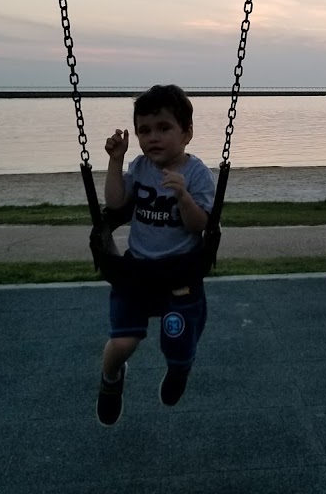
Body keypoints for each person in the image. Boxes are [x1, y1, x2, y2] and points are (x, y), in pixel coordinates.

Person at [95, 84, 215, 426]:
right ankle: (111, 380)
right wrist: (116, 162)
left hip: (180, 273)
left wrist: (183, 197)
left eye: (164, 128)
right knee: (122, 342)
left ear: (187, 133)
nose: (153, 138)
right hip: (138, 270)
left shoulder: (197, 174)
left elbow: (199, 225)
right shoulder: (140, 165)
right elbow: (116, 203)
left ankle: (179, 372)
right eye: (144, 130)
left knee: (177, 340)